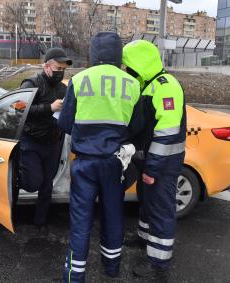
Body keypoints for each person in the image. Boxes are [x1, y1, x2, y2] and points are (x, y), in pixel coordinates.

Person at [58, 32, 143, 282]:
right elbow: (136, 127)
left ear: (93, 53)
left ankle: (74, 276)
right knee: (114, 215)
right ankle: (112, 267)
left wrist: (85, 134)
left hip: (84, 162)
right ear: (118, 55)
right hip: (115, 162)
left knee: (81, 220)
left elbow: (64, 123)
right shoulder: (132, 83)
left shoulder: (80, 80)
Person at [122, 40, 187, 279]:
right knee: (147, 202)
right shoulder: (147, 85)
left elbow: (167, 134)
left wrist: (153, 168)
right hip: (149, 160)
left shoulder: (165, 86)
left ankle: (158, 261)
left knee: (161, 209)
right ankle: (144, 239)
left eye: (129, 65)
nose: (127, 70)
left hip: (162, 164)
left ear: (141, 63)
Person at [17, 47, 72, 228]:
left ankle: (40, 221)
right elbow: (18, 109)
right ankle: (15, 181)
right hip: (31, 142)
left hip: (53, 143)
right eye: (58, 69)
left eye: (63, 70)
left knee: (47, 184)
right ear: (46, 66)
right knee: (33, 183)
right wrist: (49, 108)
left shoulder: (63, 88)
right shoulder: (31, 83)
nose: (60, 73)